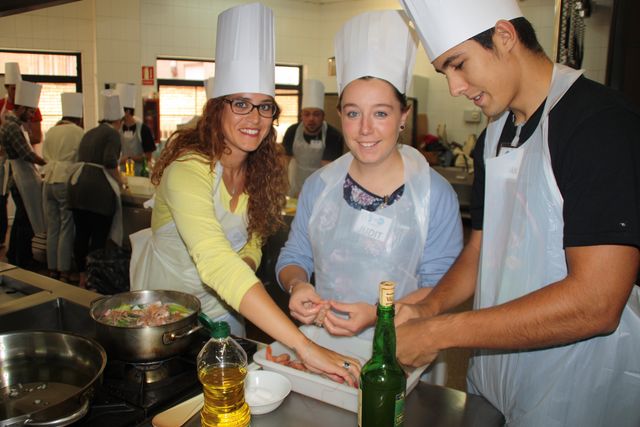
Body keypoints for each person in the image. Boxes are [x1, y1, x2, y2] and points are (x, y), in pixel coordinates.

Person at [396, 0, 640, 425]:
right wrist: (429, 308)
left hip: (580, 386)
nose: (455, 87)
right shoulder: (493, 136)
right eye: (444, 73)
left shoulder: (598, 124)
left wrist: (441, 332)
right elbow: (482, 249)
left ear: (505, 36)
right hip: (496, 375)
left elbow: (597, 302)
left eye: (458, 64)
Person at [129, 2, 360, 386]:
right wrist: (303, 345)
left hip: (226, 307)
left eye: (264, 107)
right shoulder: (188, 170)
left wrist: (247, 265)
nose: (254, 119)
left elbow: (254, 237)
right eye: (240, 104)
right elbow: (216, 260)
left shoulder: (260, 170)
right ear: (217, 108)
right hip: (166, 315)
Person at [276, 10, 463, 340]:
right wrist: (298, 284)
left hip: (402, 350)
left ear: (403, 115)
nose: (365, 129)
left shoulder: (433, 194)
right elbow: (295, 256)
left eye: (380, 113)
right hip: (323, 347)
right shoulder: (319, 186)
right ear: (340, 115)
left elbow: (441, 286)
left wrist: (379, 314)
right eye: (353, 113)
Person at [68, 91, 126, 289]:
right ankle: (95, 279)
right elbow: (110, 161)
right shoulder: (112, 134)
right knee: (98, 236)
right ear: (118, 120)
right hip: (98, 192)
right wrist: (121, 181)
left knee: (81, 233)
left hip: (77, 187)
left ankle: (82, 275)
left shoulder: (90, 132)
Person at [0, 80, 46, 269]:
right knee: (24, 221)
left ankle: (15, 255)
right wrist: (47, 163)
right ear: (23, 108)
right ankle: (22, 258)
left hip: (20, 177)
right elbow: (26, 154)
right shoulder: (12, 126)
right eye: (30, 111)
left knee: (21, 219)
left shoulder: (15, 124)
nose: (32, 115)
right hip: (20, 178)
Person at [41, 92, 84, 282]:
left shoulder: (51, 130)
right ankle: (64, 270)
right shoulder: (76, 132)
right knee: (67, 225)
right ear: (77, 115)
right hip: (64, 180)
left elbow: (44, 155)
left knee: (53, 226)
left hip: (48, 180)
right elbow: (81, 158)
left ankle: (52, 269)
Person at [282, 79, 344, 197]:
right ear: (301, 116)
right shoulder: (292, 131)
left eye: (316, 114)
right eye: (307, 114)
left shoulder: (333, 136)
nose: (311, 119)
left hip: (320, 188)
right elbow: (284, 163)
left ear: (323, 116)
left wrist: (309, 192)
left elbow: (328, 170)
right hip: (294, 185)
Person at [115, 83, 156, 176]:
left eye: (120, 110)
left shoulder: (143, 130)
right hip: (123, 173)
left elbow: (148, 157)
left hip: (141, 174)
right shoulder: (118, 129)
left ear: (128, 111)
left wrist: (130, 158)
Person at [0, 62, 43, 145]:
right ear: (6, 87)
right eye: (13, 89)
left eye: (19, 88)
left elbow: (37, 137)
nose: (16, 92)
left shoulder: (32, 108)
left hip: (27, 152)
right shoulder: (1, 105)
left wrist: (16, 141)